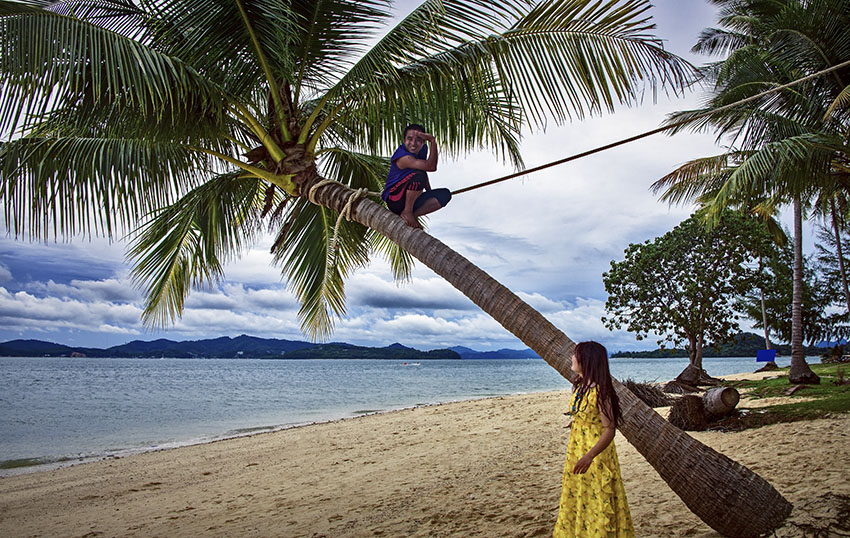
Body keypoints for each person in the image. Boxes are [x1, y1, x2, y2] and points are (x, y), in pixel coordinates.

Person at [553, 341, 635, 538]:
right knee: (580, 496)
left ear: (587, 360)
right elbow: (586, 415)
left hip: (595, 454)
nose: (572, 358)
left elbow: (609, 429)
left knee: (598, 498)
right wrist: (577, 423)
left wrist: (590, 456)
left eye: (576, 355)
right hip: (577, 449)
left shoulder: (601, 392)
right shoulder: (580, 386)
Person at [382, 124, 451, 228]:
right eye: (409, 139)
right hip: (395, 199)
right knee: (419, 176)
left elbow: (423, 170)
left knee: (445, 195)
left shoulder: (423, 149)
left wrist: (429, 192)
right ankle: (407, 212)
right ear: (404, 140)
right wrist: (433, 141)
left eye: (418, 140)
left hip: (411, 199)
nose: (413, 144)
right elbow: (431, 167)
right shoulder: (403, 157)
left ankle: (412, 215)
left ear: (423, 142)